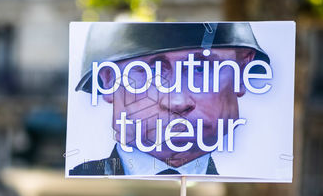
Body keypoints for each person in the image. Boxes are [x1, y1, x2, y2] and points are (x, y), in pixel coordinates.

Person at [69, 21, 269, 176]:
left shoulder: (250, 193)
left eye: (200, 68)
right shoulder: (76, 184)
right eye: (152, 70)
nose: (178, 101)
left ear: (242, 70)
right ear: (108, 79)